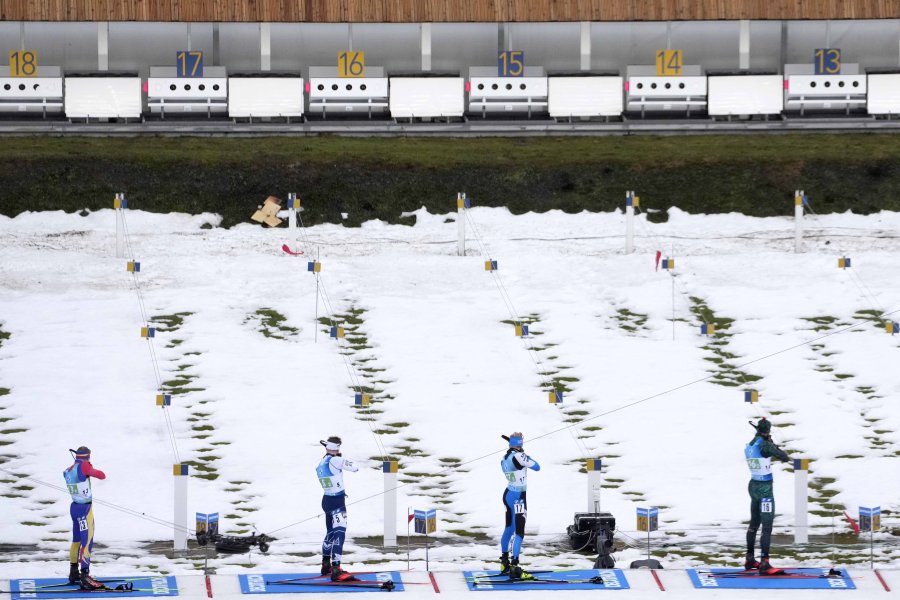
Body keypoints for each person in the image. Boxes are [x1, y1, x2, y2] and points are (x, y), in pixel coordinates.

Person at [744, 417, 791, 575]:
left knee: (754, 524)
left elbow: (762, 450)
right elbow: (783, 456)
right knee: (767, 525)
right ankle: (765, 562)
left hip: (753, 485)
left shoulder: (750, 444)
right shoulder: (764, 445)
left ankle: (749, 558)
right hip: (765, 489)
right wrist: (771, 443)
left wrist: (767, 440)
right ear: (768, 430)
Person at [316, 436, 359, 582]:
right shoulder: (336, 460)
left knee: (331, 533)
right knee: (340, 533)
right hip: (337, 502)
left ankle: (325, 564)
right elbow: (355, 467)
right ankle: (336, 570)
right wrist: (341, 459)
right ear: (337, 448)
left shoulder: (323, 460)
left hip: (327, 500)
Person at [63, 446, 106, 590]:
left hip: (74, 508)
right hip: (85, 509)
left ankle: (73, 572)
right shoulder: (84, 466)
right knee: (87, 541)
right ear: (87, 456)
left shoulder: (69, 470)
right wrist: (89, 468)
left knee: (76, 541)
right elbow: (101, 475)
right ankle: (85, 576)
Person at [498, 432, 540, 580]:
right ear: (520, 444)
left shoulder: (505, 457)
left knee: (509, 528)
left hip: (508, 494)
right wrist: (526, 456)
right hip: (519, 497)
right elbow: (537, 466)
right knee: (520, 532)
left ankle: (504, 562)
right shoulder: (519, 457)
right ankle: (515, 567)